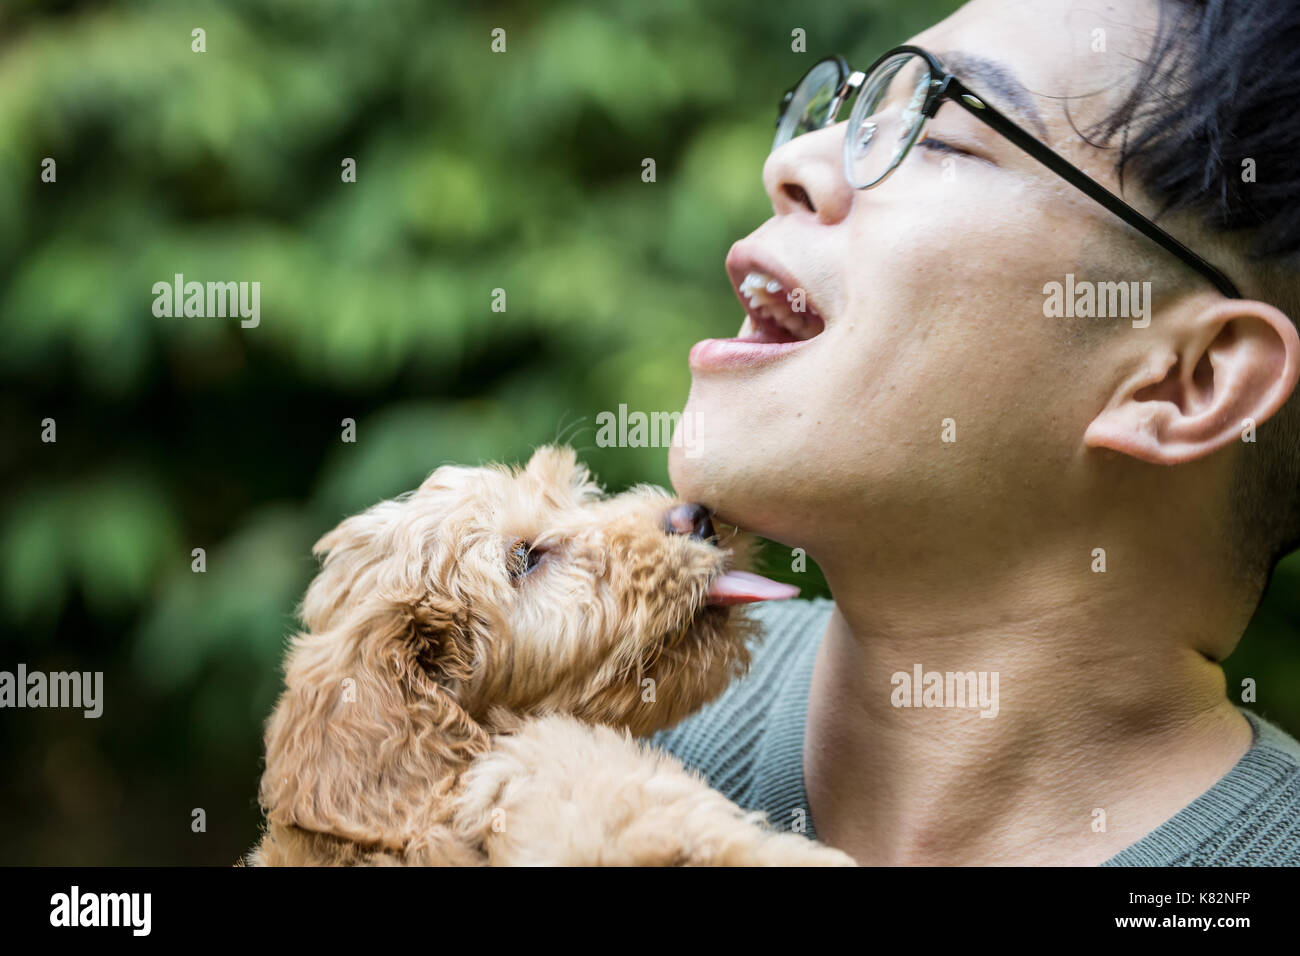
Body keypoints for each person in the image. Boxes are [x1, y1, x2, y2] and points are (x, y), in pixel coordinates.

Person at [651, 0, 1300, 865]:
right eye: (848, 108)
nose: (794, 161)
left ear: (1189, 381)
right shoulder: (534, 719)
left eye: (941, 134)